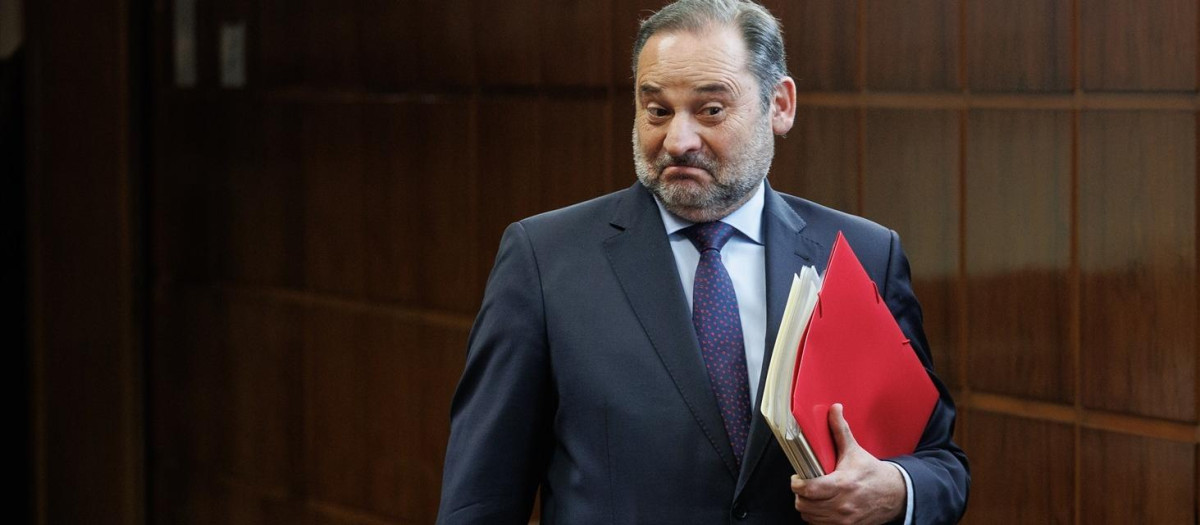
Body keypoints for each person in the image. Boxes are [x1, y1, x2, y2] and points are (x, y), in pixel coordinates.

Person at [437, 1, 969, 523]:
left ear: (779, 105)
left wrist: (896, 492)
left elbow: (940, 462)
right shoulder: (544, 261)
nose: (677, 140)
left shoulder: (863, 255)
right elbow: (480, 498)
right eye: (657, 110)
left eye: (710, 110)